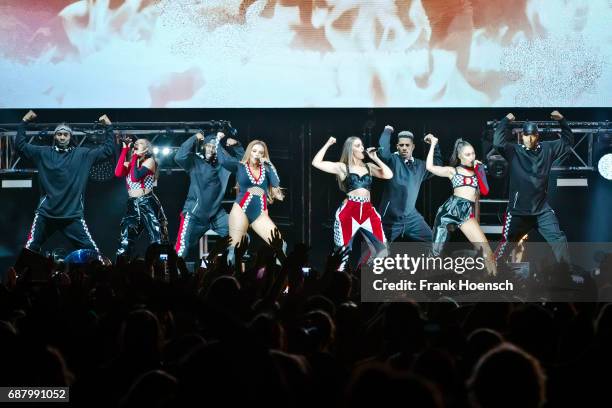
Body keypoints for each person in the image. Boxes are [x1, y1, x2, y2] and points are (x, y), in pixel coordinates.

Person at [16, 110, 115, 256]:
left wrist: (109, 126)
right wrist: (24, 121)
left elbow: (108, 150)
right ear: (55, 136)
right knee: (30, 250)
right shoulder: (43, 153)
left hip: (72, 216)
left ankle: (103, 278)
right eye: (59, 134)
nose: (62, 137)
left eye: (65, 134)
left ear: (70, 136)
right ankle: (18, 278)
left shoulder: (83, 155)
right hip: (46, 215)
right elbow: (20, 146)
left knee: (92, 254)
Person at [493, 111, 573, 265]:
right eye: (526, 135)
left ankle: (566, 274)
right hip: (518, 212)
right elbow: (497, 142)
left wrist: (562, 120)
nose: (529, 139)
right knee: (506, 245)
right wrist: (505, 121)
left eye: (533, 135)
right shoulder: (514, 151)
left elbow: (567, 141)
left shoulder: (547, 149)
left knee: (559, 238)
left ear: (537, 136)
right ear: (521, 136)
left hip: (541, 210)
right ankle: (493, 274)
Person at [312, 136, 393, 269]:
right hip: (350, 210)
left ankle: (360, 274)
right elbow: (316, 162)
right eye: (357, 145)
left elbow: (389, 175)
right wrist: (328, 143)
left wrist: (375, 158)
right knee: (342, 255)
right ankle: (339, 284)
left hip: (367, 210)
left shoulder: (369, 166)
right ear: (350, 149)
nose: (362, 148)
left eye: (361, 145)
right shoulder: (343, 167)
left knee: (382, 250)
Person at [425, 134, 496, 275]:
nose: (471, 157)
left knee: (486, 251)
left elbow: (485, 191)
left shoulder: (478, 170)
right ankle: (422, 286)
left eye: (473, 153)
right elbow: (429, 167)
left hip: (465, 213)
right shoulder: (453, 171)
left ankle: (494, 286)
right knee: (435, 254)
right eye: (467, 154)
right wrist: (433, 144)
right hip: (449, 212)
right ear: (460, 156)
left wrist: (480, 171)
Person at [174, 130, 244, 259]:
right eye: (208, 146)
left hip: (216, 215)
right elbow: (179, 157)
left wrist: (237, 146)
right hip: (194, 215)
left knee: (240, 235)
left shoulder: (223, 165)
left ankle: (231, 269)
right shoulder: (195, 162)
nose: (211, 149)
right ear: (203, 147)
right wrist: (194, 137)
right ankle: (174, 275)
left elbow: (242, 165)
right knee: (182, 247)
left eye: (214, 147)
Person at [216, 135, 285, 266]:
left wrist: (268, 163)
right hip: (240, 210)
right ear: (249, 151)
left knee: (280, 245)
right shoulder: (240, 166)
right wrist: (219, 142)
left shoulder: (266, 168)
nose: (257, 154)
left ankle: (279, 282)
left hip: (259, 214)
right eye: (254, 151)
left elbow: (276, 183)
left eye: (260, 152)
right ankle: (235, 283)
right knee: (235, 251)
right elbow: (223, 161)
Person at [377, 125, 443, 242]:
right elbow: (383, 151)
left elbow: (437, 165)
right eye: (401, 145)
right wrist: (387, 131)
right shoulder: (392, 160)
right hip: (390, 219)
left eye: (407, 145)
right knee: (377, 251)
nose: (404, 148)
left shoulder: (420, 166)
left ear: (413, 146)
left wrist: (434, 144)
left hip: (411, 218)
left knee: (433, 242)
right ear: (397, 146)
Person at [114, 137, 169, 259]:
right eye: (136, 143)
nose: (137, 144)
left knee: (157, 237)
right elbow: (118, 173)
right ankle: (120, 270)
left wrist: (134, 157)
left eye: (140, 143)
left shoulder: (150, 161)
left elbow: (135, 177)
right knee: (125, 237)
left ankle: (163, 269)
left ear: (146, 149)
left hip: (147, 201)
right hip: (132, 203)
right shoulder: (130, 163)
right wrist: (125, 149)